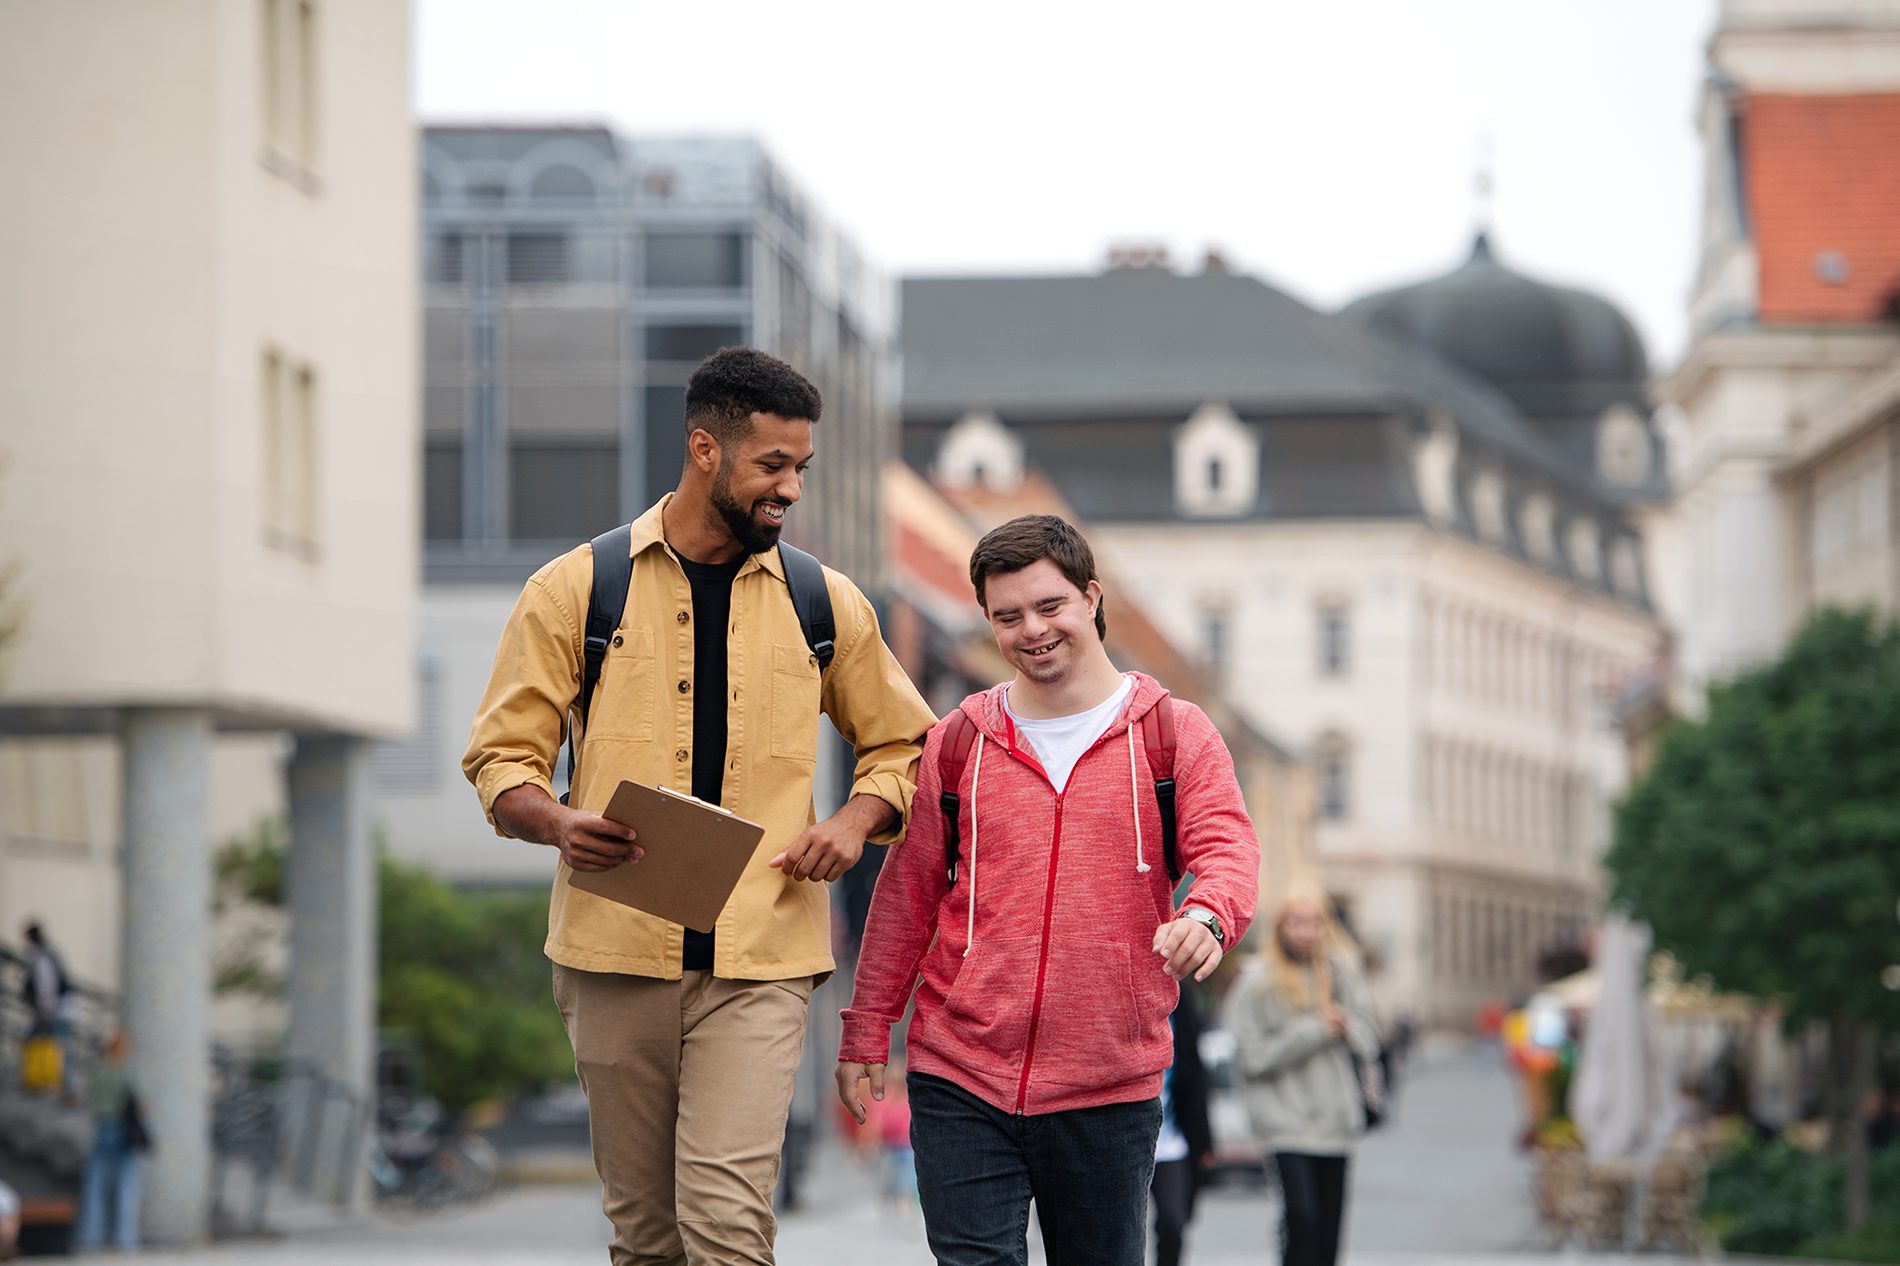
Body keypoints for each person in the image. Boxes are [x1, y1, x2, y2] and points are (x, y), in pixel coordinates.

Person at [463, 346, 935, 1265]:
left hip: (761, 961)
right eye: (773, 466)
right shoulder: (576, 590)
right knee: (646, 1237)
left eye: (802, 468)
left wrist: (854, 821)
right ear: (705, 449)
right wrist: (557, 821)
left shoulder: (822, 602)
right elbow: (499, 756)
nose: (790, 489)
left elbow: (910, 744)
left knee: (726, 1225)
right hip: (611, 955)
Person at [837, 514, 1259, 1266]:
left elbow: (1228, 846)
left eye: (1049, 606)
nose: (1032, 630)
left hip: (1109, 1083)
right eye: (1008, 616)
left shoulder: (1172, 734)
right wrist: (868, 1027)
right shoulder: (960, 740)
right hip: (960, 1074)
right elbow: (907, 896)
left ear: (1091, 598)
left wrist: (1208, 914)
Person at [1224, 883, 1381, 1266]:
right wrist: (1312, 1031)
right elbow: (1252, 1058)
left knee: (1328, 1237)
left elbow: (1370, 1041)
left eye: (1315, 923)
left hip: (1334, 1123)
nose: (1306, 932)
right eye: (1297, 922)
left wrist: (1344, 1025)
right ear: (1280, 927)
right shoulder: (1257, 982)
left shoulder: (1341, 975)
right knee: (1302, 1219)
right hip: (1284, 1123)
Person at [1152, 986, 1215, 1266]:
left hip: (1171, 1140)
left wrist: (1204, 1141)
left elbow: (1195, 1075)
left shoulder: (1180, 1002)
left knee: (1173, 1222)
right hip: (1123, 1137)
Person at [73, 1029, 144, 1254]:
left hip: (100, 1129)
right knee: (126, 1186)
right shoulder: (124, 1072)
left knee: (95, 1186)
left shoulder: (96, 1071)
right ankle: (125, 1239)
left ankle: (90, 1237)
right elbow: (139, 1101)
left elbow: (83, 1098)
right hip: (123, 1132)